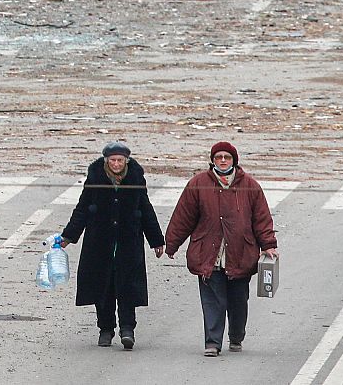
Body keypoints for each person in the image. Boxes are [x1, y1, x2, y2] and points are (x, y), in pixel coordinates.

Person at [163, 141, 279, 358]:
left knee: (238, 302)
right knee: (212, 301)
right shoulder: (198, 184)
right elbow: (183, 217)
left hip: (240, 254)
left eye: (227, 157)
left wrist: (269, 245)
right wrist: (172, 243)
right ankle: (212, 342)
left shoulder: (250, 186)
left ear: (234, 160)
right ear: (212, 160)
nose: (223, 160)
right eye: (218, 157)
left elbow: (261, 218)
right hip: (209, 254)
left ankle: (236, 336)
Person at [59, 142, 165, 350]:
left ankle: (127, 329)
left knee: (127, 287)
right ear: (106, 161)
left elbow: (145, 208)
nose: (116, 164)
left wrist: (156, 240)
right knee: (103, 287)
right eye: (112, 160)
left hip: (128, 243)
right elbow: (82, 209)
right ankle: (105, 329)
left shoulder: (135, 178)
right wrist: (68, 236)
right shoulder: (95, 178)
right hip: (99, 243)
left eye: (120, 160)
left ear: (126, 161)